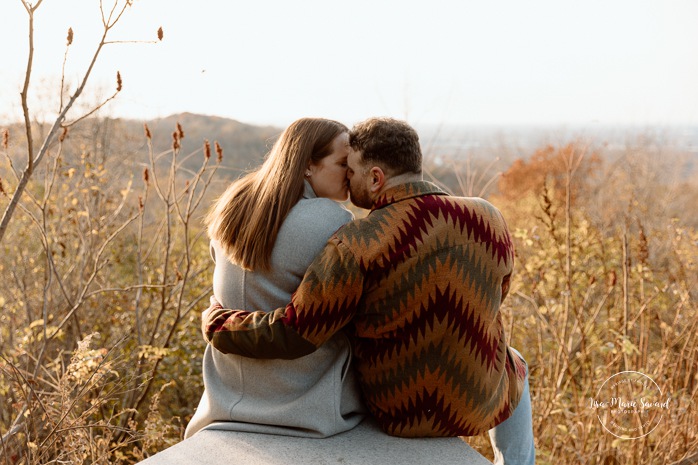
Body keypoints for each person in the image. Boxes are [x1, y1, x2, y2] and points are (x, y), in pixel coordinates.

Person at [201, 117, 535, 464]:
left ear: (375, 178)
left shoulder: (358, 242)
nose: (348, 179)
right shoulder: (488, 217)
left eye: (352, 170)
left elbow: (300, 329)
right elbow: (497, 295)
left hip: (399, 410)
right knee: (515, 363)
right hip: (480, 399)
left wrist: (219, 324)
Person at [185, 118, 365, 439]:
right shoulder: (333, 220)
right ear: (309, 164)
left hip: (226, 397)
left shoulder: (234, 202)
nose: (351, 175)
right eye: (342, 164)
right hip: (302, 401)